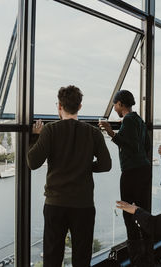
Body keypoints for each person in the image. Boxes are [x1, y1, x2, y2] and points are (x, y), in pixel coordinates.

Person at [27, 85, 112, 267]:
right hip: (83, 205)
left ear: (59, 106)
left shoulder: (50, 130)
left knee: (52, 256)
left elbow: (32, 163)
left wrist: (35, 137)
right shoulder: (93, 133)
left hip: (55, 204)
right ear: (80, 107)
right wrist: (85, 167)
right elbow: (106, 165)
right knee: (82, 257)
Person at [98, 90, 152, 266]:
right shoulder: (139, 120)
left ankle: (136, 260)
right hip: (144, 170)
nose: (114, 108)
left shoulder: (128, 120)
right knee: (143, 213)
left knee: (128, 216)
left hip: (132, 172)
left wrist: (110, 132)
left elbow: (132, 146)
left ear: (120, 103)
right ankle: (148, 257)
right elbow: (145, 146)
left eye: (114, 105)